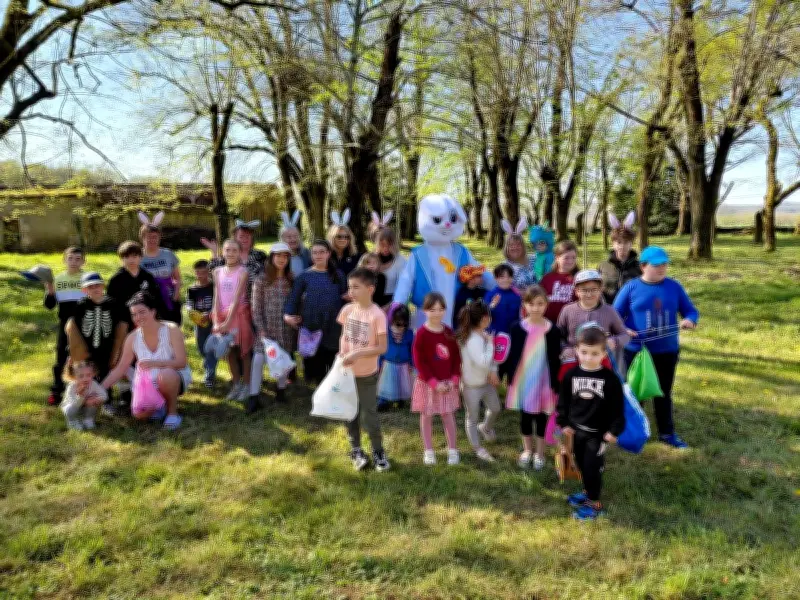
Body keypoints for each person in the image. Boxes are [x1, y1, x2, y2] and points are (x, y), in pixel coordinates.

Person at [613, 246, 699, 449]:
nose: (662, 269)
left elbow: (691, 311)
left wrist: (690, 320)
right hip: (636, 351)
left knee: (663, 393)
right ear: (643, 266)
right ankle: (633, 431)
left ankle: (667, 434)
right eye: (656, 265)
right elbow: (614, 315)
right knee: (635, 394)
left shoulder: (674, 287)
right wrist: (624, 329)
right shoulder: (631, 287)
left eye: (665, 264)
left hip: (666, 352)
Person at [556, 324, 625, 520]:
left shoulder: (610, 379)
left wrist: (614, 430)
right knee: (580, 463)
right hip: (577, 431)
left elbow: (617, 409)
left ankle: (595, 504)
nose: (588, 357)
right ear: (576, 351)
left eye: (594, 353)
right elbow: (563, 402)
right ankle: (587, 492)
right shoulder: (571, 375)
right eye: (584, 352)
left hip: (598, 433)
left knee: (592, 467)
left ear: (604, 353)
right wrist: (564, 423)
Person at [101, 292, 190, 431]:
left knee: (166, 375)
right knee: (139, 415)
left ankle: (173, 413)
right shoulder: (132, 337)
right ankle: (160, 406)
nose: (138, 317)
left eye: (142, 312)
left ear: (153, 311)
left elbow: (181, 362)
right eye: (134, 314)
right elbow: (120, 368)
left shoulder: (171, 329)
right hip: (148, 385)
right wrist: (99, 389)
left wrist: (155, 363)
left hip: (174, 376)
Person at [337, 268, 391, 472]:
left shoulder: (377, 315)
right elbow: (344, 336)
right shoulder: (347, 310)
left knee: (369, 415)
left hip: (367, 375)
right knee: (350, 413)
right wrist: (341, 355)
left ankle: (378, 451)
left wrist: (358, 354)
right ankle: (356, 450)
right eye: (349, 287)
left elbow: (382, 347)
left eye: (356, 287)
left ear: (370, 289)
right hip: (346, 373)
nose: (351, 291)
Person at [505, 286, 562, 470]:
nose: (536, 308)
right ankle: (527, 450)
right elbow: (513, 355)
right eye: (532, 304)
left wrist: (556, 384)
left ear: (546, 305)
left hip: (544, 380)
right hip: (523, 380)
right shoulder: (517, 327)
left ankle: (540, 453)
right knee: (526, 416)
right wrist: (510, 379)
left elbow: (555, 358)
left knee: (541, 417)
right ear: (525, 305)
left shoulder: (552, 329)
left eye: (540, 304)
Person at [285, 239, 347, 385]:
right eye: (315, 252)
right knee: (315, 359)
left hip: (334, 324)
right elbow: (293, 299)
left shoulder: (338, 275)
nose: (318, 255)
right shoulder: (304, 276)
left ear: (328, 254)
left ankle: (333, 387)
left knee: (332, 357)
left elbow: (344, 298)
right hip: (312, 323)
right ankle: (318, 386)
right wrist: (288, 315)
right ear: (311, 255)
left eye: (322, 252)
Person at [65, 272, 128, 415]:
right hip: (86, 349)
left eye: (98, 286)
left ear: (103, 286)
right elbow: (73, 330)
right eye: (90, 287)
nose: (95, 289)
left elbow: (120, 326)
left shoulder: (113, 304)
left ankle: (107, 401)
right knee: (84, 376)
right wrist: (72, 351)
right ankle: (82, 401)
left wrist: (118, 350)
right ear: (84, 290)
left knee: (106, 374)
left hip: (106, 348)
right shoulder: (80, 306)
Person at [411, 292, 462, 466]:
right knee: (427, 415)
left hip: (447, 383)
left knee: (448, 414)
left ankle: (453, 449)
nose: (437, 313)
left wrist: (454, 378)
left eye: (441, 309)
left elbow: (456, 356)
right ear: (425, 311)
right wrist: (433, 382)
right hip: (428, 384)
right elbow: (419, 361)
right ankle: (428, 450)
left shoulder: (448, 332)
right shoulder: (422, 334)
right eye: (433, 310)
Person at [557, 269, 630, 381]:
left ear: (601, 290)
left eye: (594, 290)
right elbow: (558, 336)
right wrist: (564, 348)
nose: (589, 294)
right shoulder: (567, 310)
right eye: (584, 290)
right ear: (576, 291)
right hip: (574, 363)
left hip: (601, 364)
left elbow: (625, 335)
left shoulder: (609, 311)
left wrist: (614, 341)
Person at [249, 242, 297, 413]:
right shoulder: (261, 279)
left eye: (285, 256)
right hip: (266, 327)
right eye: (278, 256)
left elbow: (296, 301)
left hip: (285, 327)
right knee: (258, 359)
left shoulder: (291, 279)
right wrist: (260, 328)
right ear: (271, 257)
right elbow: (256, 306)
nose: (282, 259)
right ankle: (253, 396)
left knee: (282, 358)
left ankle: (281, 390)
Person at [455, 300, 501, 462]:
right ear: (483, 319)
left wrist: (493, 373)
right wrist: (490, 344)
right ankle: (477, 448)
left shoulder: (483, 334)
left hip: (485, 382)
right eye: (488, 316)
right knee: (472, 417)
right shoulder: (472, 339)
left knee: (495, 408)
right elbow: (483, 361)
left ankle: (486, 428)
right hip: (471, 385)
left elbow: (491, 360)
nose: (490, 318)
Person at [212, 239, 254, 403]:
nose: (230, 254)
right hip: (222, 316)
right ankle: (236, 383)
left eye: (234, 250)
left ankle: (247, 385)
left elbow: (237, 298)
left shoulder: (243, 271)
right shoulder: (217, 271)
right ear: (223, 251)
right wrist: (216, 319)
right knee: (230, 351)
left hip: (238, 316)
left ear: (239, 252)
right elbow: (217, 295)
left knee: (243, 351)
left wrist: (228, 321)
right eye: (227, 250)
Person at [44, 246, 86, 405]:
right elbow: (49, 305)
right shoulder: (58, 279)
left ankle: (85, 389)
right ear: (64, 260)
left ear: (83, 261)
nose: (74, 262)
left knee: (84, 357)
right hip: (64, 324)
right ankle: (57, 390)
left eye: (78, 259)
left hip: (84, 324)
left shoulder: (88, 278)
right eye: (70, 258)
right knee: (61, 356)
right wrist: (50, 290)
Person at [107, 241, 164, 331]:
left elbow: (156, 298)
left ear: (140, 257)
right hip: (124, 321)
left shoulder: (147, 277)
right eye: (127, 257)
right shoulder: (116, 280)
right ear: (121, 259)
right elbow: (111, 303)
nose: (131, 260)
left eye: (134, 256)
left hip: (146, 319)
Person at [138, 212, 182, 325]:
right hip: (148, 300)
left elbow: (177, 278)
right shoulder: (138, 257)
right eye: (148, 237)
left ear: (159, 238)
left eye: (155, 237)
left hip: (169, 297)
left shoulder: (168, 254)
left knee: (172, 328)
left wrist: (176, 295)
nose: (152, 240)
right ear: (142, 238)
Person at [598, 211, 641, 304]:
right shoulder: (603, 266)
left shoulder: (640, 266)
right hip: (609, 310)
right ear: (613, 244)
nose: (622, 246)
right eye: (619, 242)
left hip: (631, 311)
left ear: (631, 244)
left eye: (626, 242)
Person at [376, 304, 414, 410]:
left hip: (403, 364)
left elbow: (412, 350)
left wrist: (412, 364)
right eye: (398, 324)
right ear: (392, 320)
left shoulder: (409, 334)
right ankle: (383, 401)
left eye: (404, 325)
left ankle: (399, 399)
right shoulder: (386, 332)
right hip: (388, 363)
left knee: (401, 382)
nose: (401, 327)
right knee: (387, 383)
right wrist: (378, 364)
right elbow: (380, 349)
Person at [186, 259, 216, 389]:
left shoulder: (214, 287)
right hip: (199, 323)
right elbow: (189, 304)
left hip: (213, 322)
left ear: (209, 273)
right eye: (198, 273)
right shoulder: (192, 289)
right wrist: (190, 311)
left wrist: (209, 313)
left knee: (211, 349)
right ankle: (208, 364)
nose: (201, 276)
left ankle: (209, 376)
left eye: (204, 273)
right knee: (201, 348)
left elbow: (218, 303)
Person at [539, 240, 579, 324]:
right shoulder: (547, 278)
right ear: (557, 257)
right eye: (566, 258)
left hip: (570, 323)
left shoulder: (578, 279)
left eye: (573, 257)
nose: (570, 261)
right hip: (548, 324)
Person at [61, 360, 107, 431]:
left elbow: (104, 395)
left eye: (88, 375)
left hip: (85, 408)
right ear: (74, 376)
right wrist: (81, 395)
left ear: (93, 374)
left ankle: (88, 419)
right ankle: (72, 422)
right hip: (73, 408)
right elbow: (74, 403)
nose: (85, 378)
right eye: (81, 376)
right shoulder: (72, 386)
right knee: (70, 408)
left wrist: (95, 399)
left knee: (94, 402)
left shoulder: (93, 384)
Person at [375, 225, 407, 306]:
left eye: (389, 244)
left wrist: (389, 306)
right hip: (372, 300)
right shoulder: (371, 258)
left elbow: (403, 288)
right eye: (382, 244)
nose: (385, 248)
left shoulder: (400, 260)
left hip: (392, 300)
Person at [501, 217, 537, 288]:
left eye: (518, 244)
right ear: (507, 248)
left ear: (523, 246)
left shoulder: (535, 259)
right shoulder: (504, 267)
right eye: (511, 245)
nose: (515, 247)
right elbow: (504, 289)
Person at [328, 209, 362, 278]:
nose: (343, 239)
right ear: (332, 238)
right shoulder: (326, 256)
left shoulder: (357, 257)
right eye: (339, 236)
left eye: (346, 237)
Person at [279, 210, 312, 276]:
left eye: (295, 236)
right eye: (289, 237)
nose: (293, 239)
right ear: (282, 239)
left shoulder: (307, 254)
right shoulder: (277, 256)